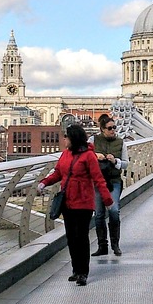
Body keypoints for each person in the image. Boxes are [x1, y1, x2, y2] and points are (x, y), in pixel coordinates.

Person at [40, 122, 114, 286]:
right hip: (68, 202)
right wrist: (44, 182)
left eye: (66, 136)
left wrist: (107, 200)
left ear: (73, 138)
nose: (64, 139)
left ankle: (83, 272)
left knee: (81, 237)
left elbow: (98, 179)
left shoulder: (89, 156)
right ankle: (75, 269)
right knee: (71, 238)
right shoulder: (65, 154)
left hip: (83, 203)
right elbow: (58, 173)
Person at [90, 113, 127, 256]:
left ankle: (115, 244)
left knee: (114, 211)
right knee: (99, 214)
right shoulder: (93, 140)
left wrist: (115, 161)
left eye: (114, 127)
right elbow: (85, 155)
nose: (113, 130)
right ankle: (102, 246)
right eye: (110, 128)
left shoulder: (121, 142)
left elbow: (126, 164)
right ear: (102, 129)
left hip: (114, 181)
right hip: (98, 182)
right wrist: (95, 156)